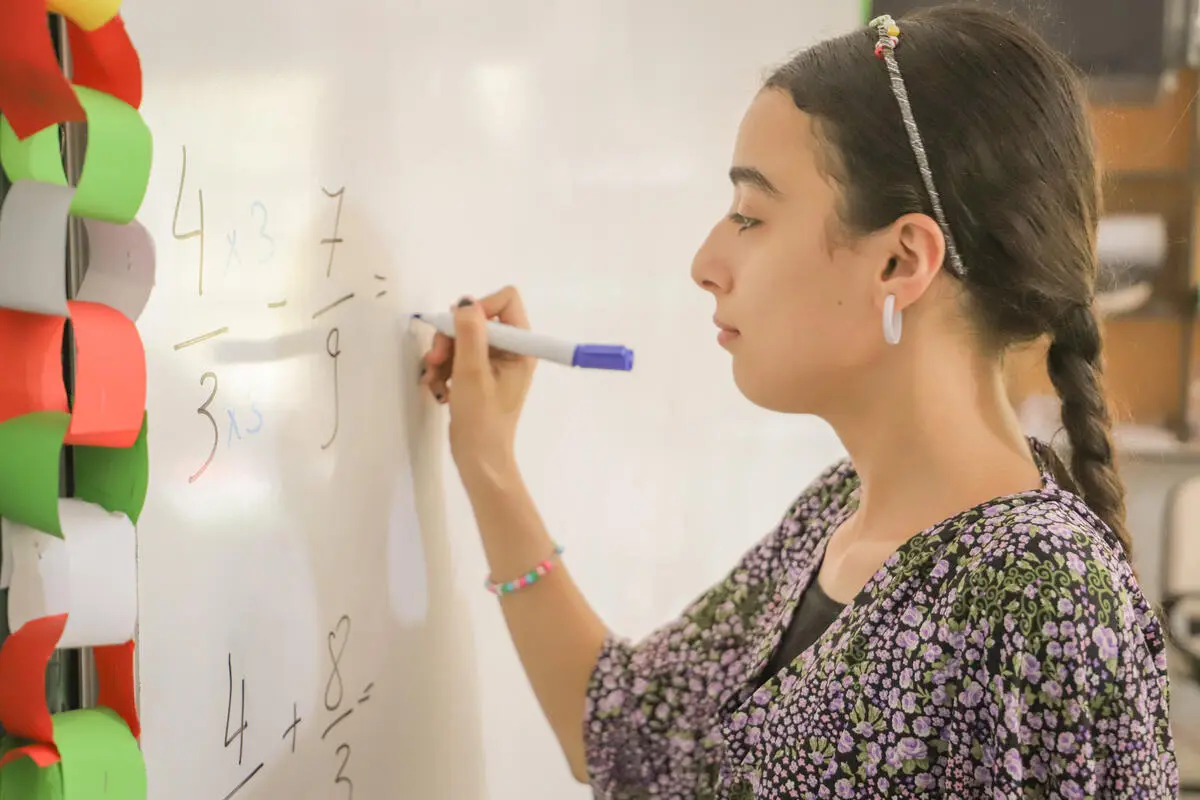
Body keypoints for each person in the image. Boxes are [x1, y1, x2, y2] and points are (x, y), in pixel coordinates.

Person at [419, 6, 1178, 797]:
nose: (705, 262)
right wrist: (487, 460)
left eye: (750, 216)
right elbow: (626, 735)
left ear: (899, 262)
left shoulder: (1040, 587)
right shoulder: (836, 513)